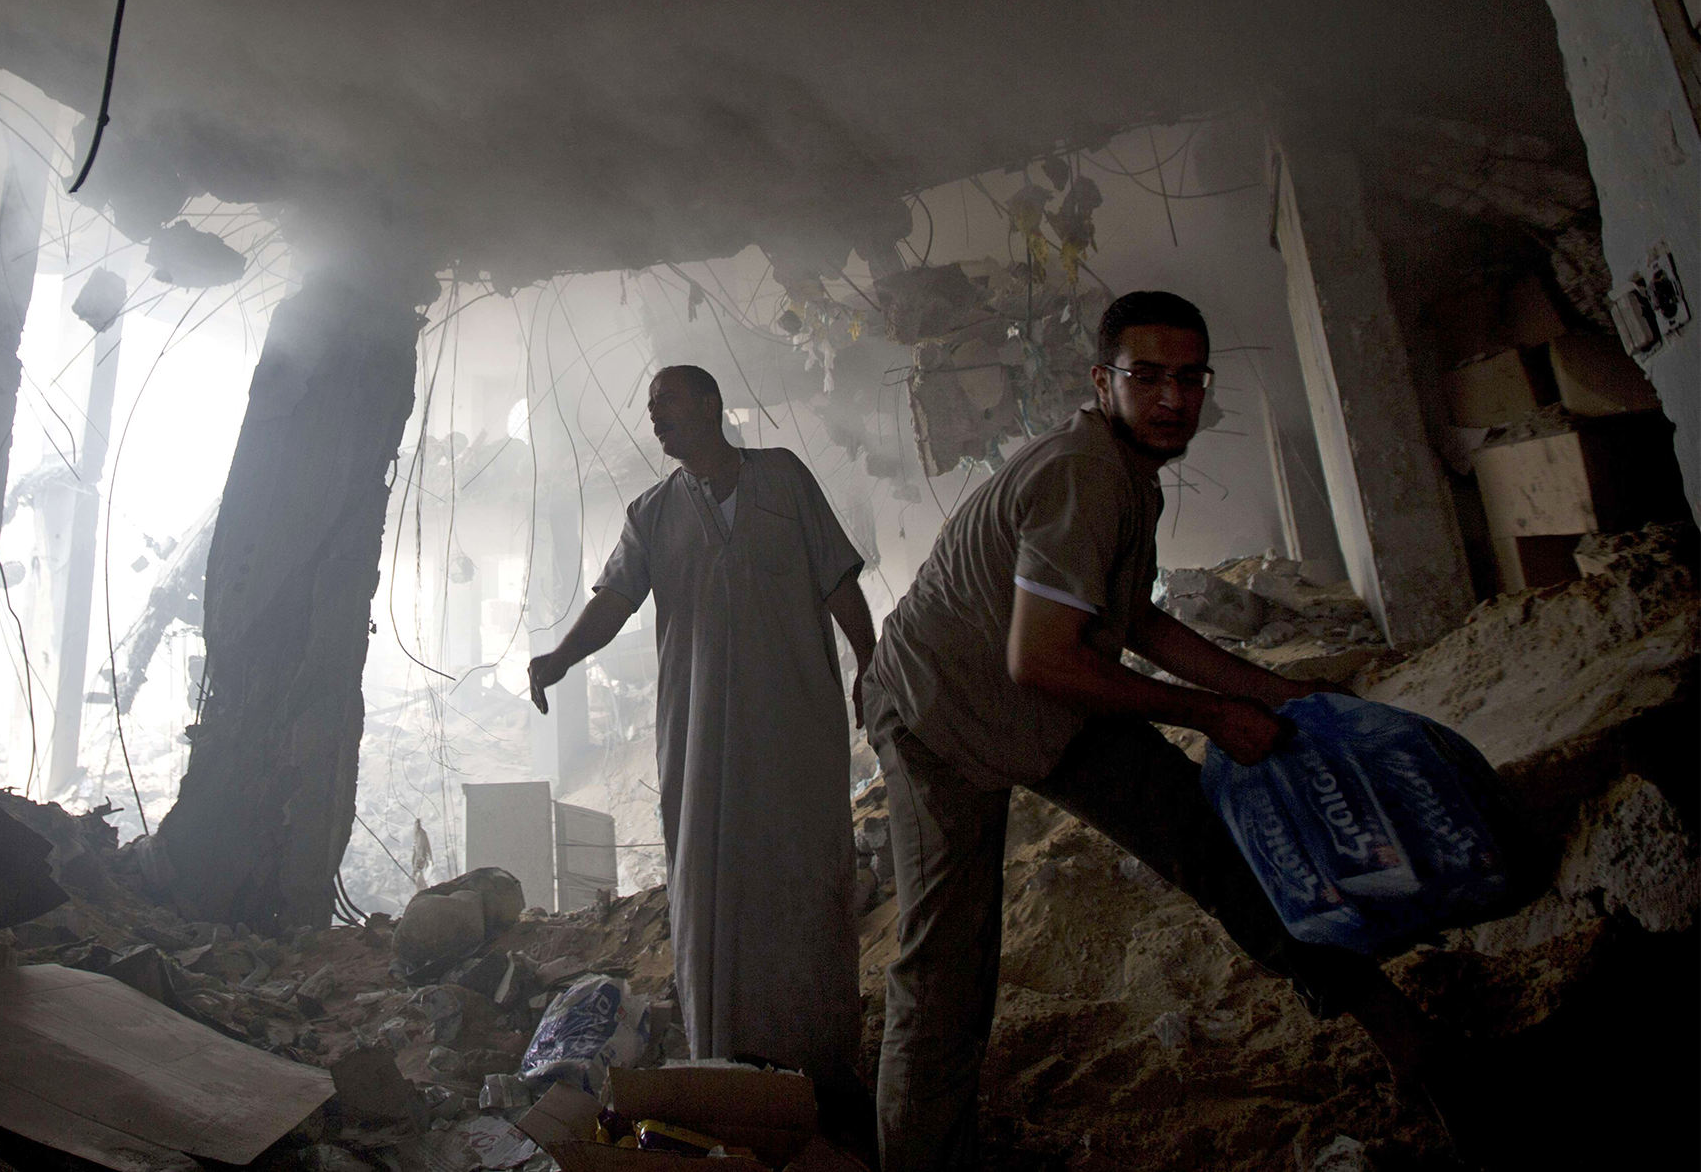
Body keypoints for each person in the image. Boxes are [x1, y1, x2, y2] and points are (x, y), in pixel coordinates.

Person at [861, 291, 1447, 1171]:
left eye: (1189, 378)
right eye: (1148, 377)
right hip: (938, 715)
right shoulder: (1084, 475)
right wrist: (1215, 713)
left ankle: (1411, 1044)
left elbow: (1135, 622)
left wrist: (1272, 693)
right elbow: (1043, 661)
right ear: (1103, 381)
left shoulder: (1127, 477)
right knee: (948, 969)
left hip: (1044, 702)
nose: (1173, 398)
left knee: (1219, 845)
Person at [529, 364, 876, 1104]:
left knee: (805, 870)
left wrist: (870, 663)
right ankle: (726, 1057)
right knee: (712, 881)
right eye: (649, 407)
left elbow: (838, 579)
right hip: (699, 736)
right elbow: (617, 600)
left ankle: (822, 1059)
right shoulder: (650, 513)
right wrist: (560, 657)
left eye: (667, 402)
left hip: (796, 724)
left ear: (712, 405)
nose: (654, 416)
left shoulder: (783, 480)